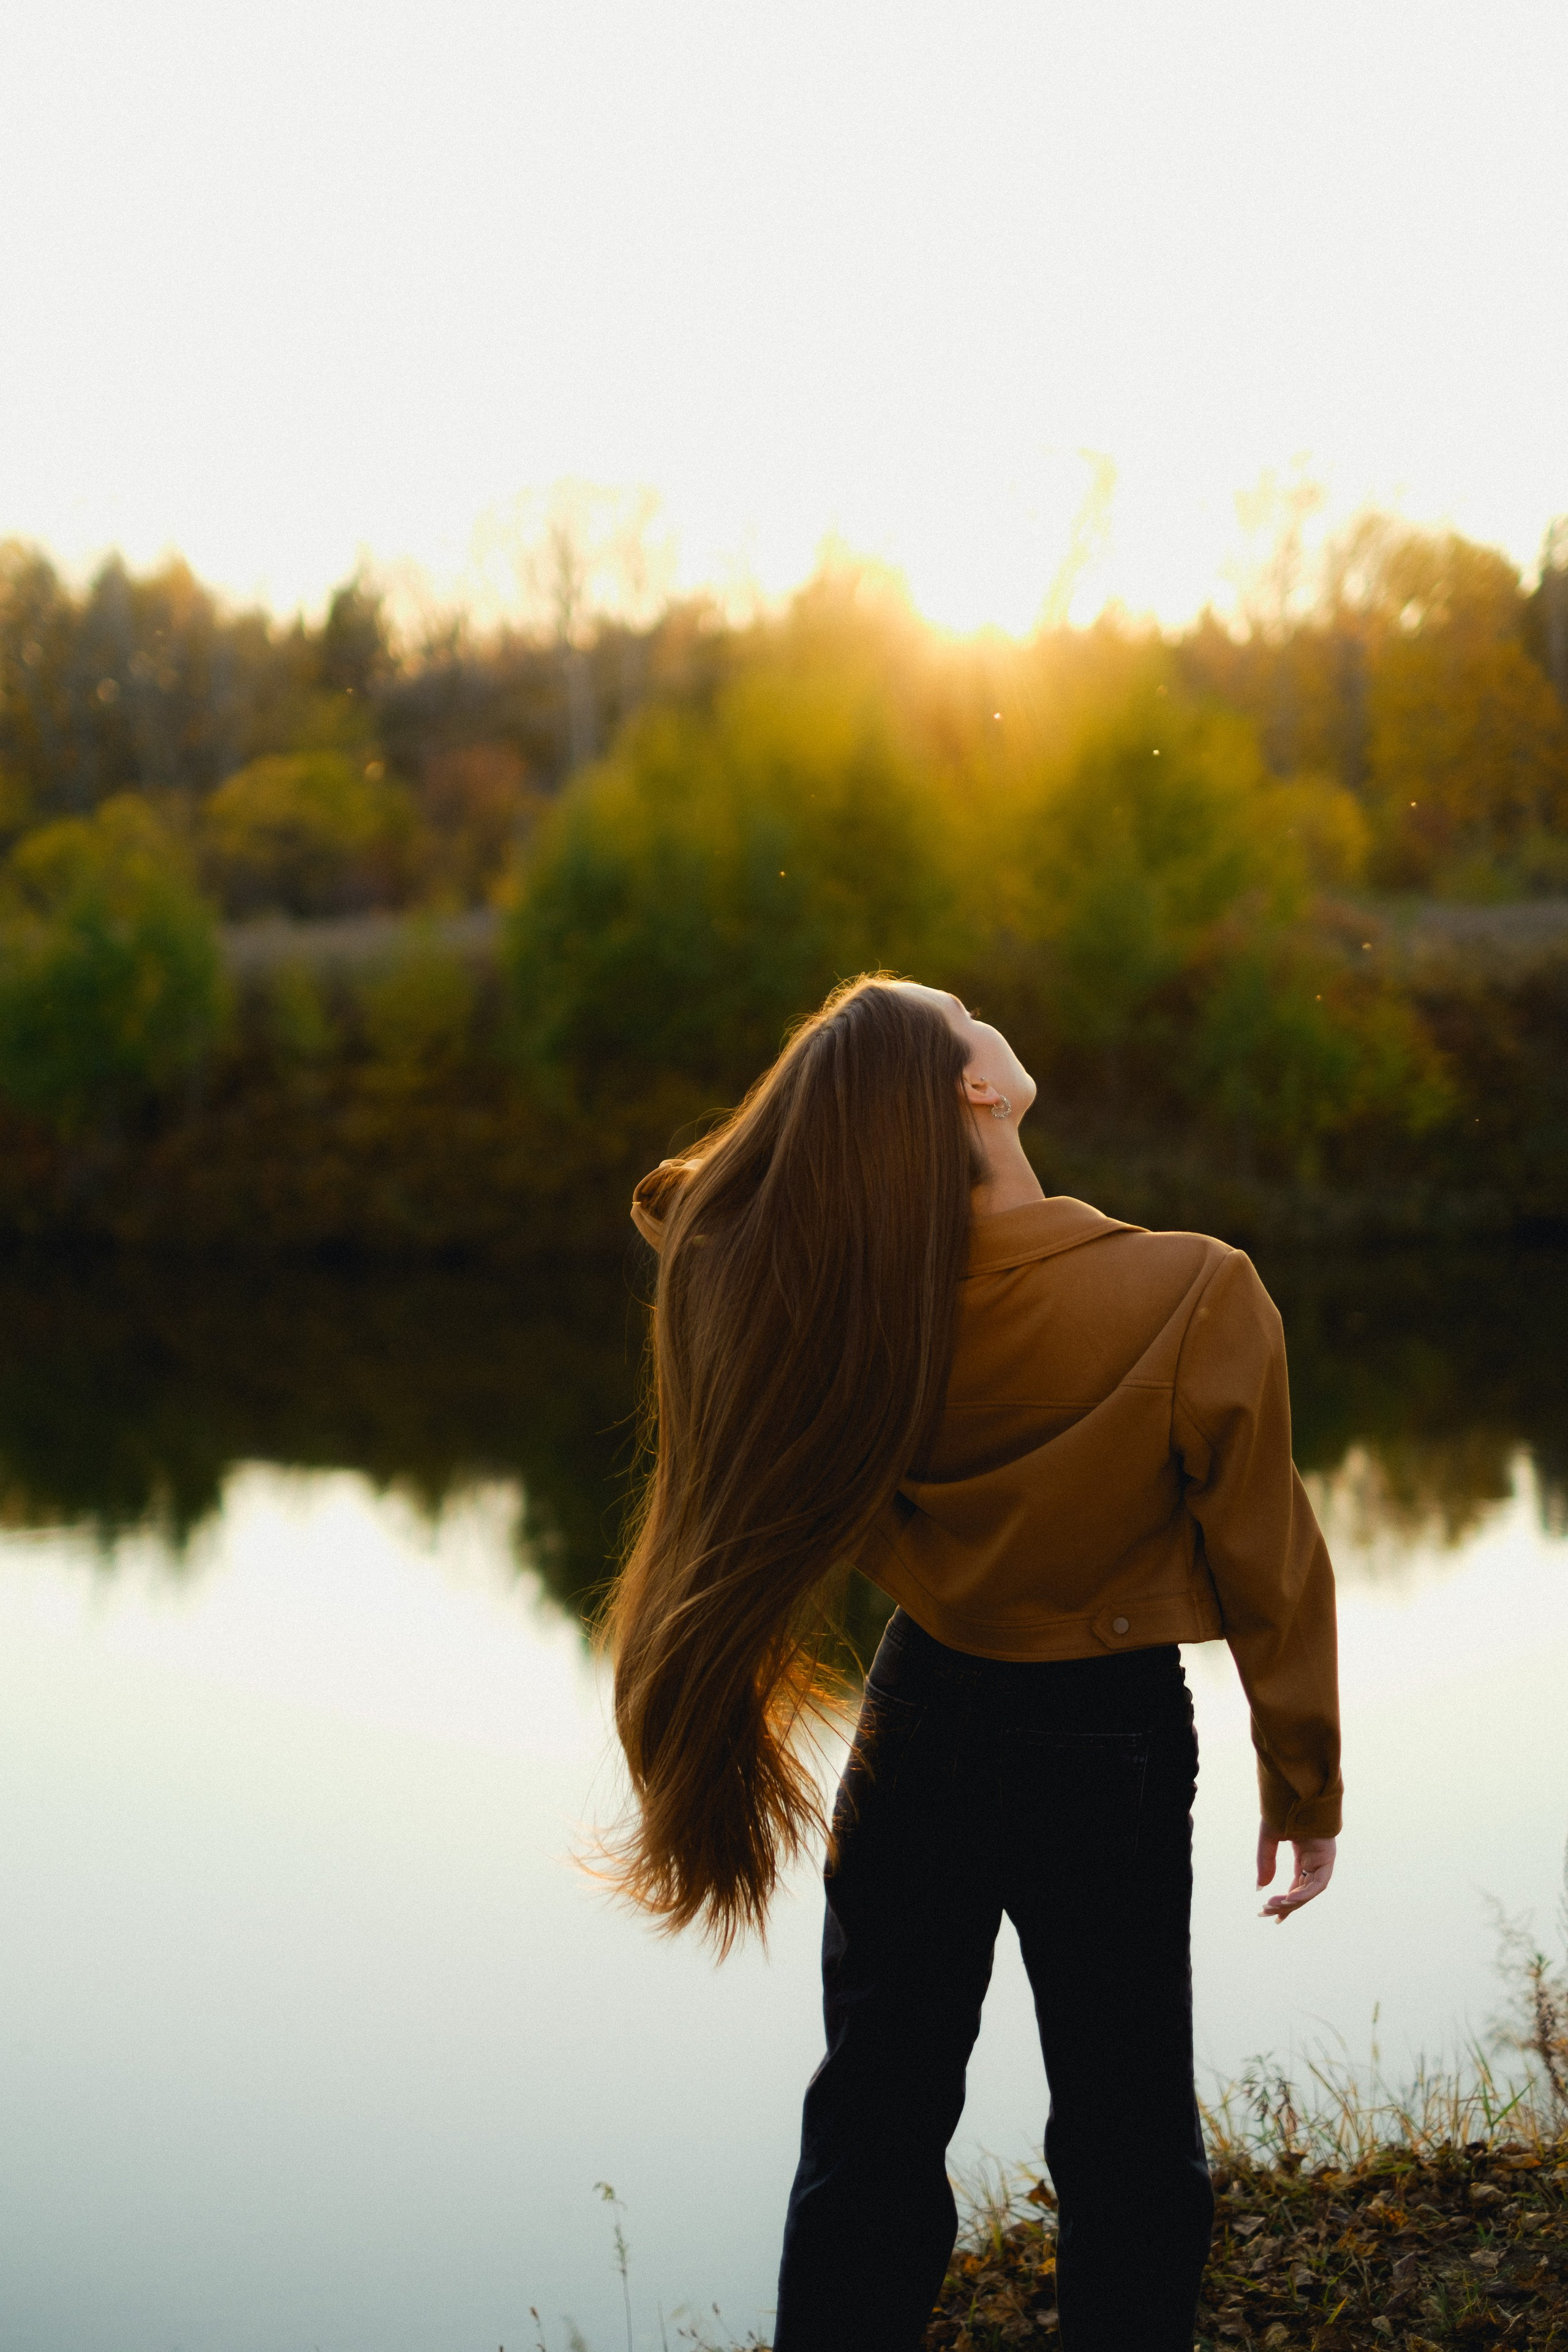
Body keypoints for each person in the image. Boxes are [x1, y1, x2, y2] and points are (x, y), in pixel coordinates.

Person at [608, 974, 1341, 2352]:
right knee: (1124, 2128)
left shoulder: (852, 1307)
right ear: (979, 1092)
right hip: (1107, 1737)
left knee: (872, 2124)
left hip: (919, 1715)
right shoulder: (1193, 1290)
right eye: (966, 1020)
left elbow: (673, 1213)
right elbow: (1271, 1568)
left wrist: (808, 1143)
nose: (993, 1021)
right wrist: (1301, 1784)